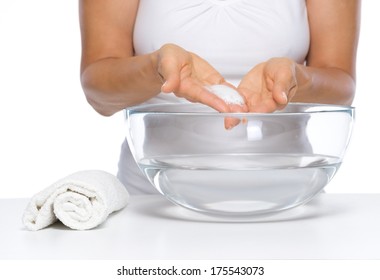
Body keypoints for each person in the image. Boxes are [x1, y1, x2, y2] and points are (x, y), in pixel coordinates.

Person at [79, 0, 361, 194]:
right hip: (152, 201)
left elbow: (341, 85)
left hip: (291, 199)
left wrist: (298, 79)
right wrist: (156, 71)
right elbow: (98, 93)